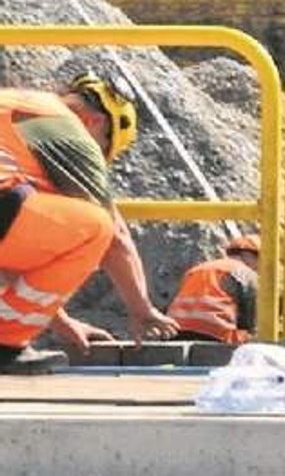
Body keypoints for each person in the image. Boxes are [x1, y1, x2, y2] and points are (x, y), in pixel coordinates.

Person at [0, 70, 179, 374]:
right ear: (95, 123)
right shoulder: (67, 129)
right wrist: (141, 309)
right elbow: (116, 237)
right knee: (95, 227)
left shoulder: (15, 109)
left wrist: (62, 323)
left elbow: (13, 259)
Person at [166, 234, 259, 345]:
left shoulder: (196, 269)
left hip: (176, 330)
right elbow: (249, 315)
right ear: (247, 255)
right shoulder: (244, 271)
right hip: (215, 334)